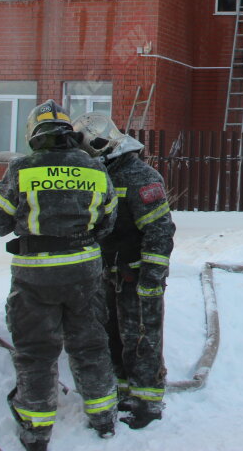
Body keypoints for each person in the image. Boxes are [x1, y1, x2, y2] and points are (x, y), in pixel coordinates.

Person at [0, 100, 119, 451]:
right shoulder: (94, 167)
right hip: (84, 270)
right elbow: (108, 222)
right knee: (90, 344)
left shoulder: (21, 169)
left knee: (36, 351)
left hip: (36, 275)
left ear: (33, 133)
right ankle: (104, 416)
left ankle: (36, 428)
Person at [73, 112, 175, 430]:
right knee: (113, 339)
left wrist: (151, 279)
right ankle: (122, 392)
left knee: (142, 341)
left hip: (138, 276)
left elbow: (160, 230)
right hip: (109, 275)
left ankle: (148, 403)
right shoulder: (101, 175)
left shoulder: (139, 176)